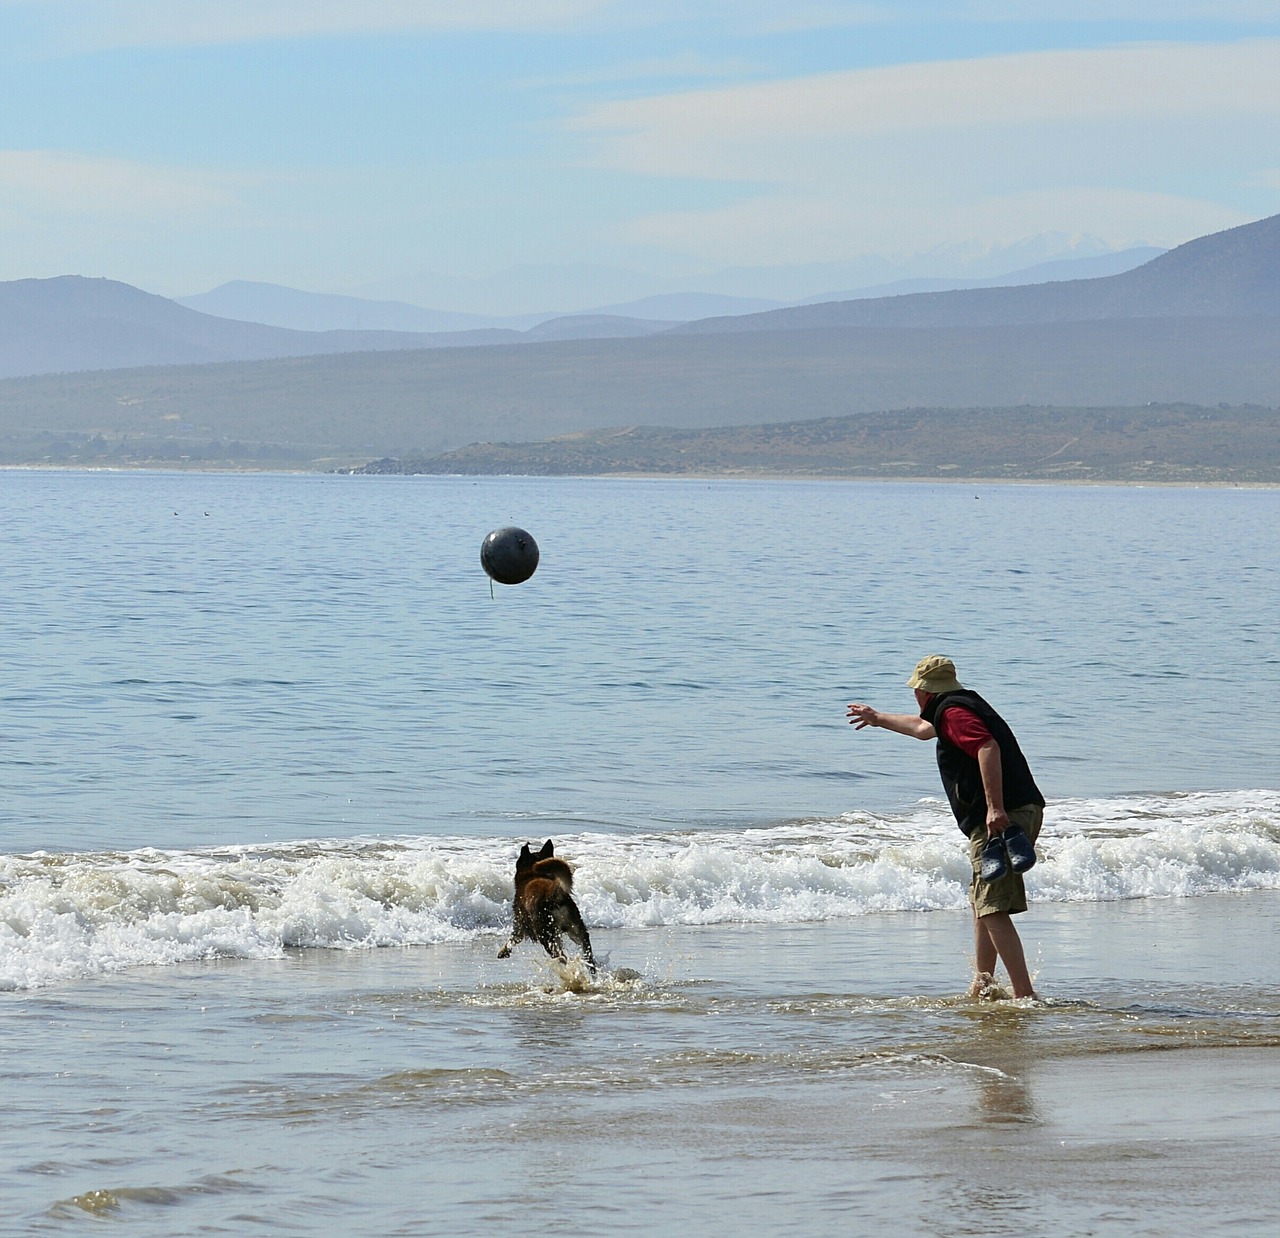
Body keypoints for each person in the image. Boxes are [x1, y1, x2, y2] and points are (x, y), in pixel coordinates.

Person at [846, 655, 1045, 999]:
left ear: (924, 690)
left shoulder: (952, 712)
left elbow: (987, 747)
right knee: (982, 902)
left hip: (1002, 818)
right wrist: (877, 719)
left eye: (916, 690)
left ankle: (1024, 996)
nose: (915, 697)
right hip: (1018, 810)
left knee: (993, 908)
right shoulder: (958, 706)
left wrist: (995, 808)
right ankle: (982, 986)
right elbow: (922, 729)